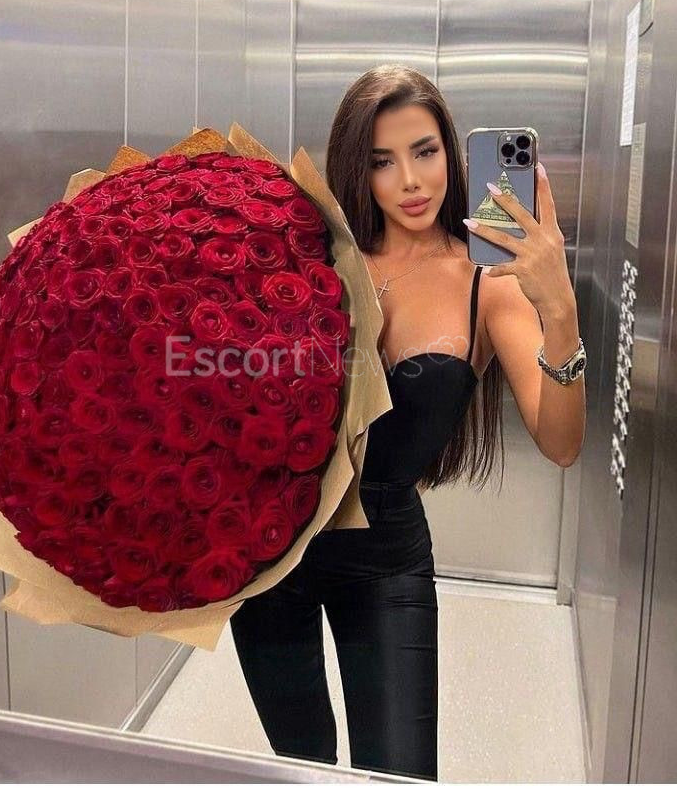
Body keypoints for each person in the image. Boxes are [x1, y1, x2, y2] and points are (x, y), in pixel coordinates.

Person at [229, 64, 586, 782]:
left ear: (452, 152)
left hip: (384, 562)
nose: (411, 181)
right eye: (382, 161)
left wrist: (560, 309)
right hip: (267, 555)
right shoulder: (311, 254)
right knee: (298, 766)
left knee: (399, 778)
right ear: (355, 169)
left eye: (425, 151)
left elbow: (561, 443)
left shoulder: (490, 285)